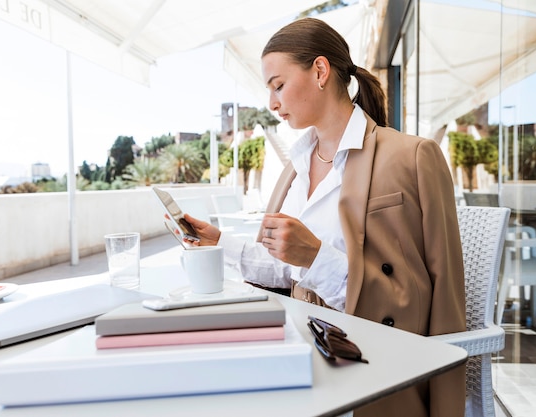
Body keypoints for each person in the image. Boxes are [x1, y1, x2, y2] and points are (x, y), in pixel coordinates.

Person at [184, 17, 466, 417]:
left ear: (319, 71)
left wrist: (314, 256)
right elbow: (289, 271)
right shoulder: (295, 167)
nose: (272, 103)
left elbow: (437, 294)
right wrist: (219, 244)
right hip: (302, 354)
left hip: (373, 369)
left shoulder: (412, 157)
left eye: (278, 85)